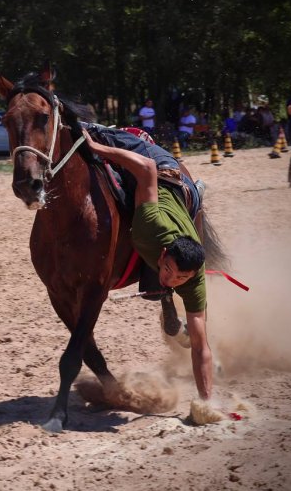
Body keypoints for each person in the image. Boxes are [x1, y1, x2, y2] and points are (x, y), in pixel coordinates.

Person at [80, 125, 213, 401]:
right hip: (160, 168)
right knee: (105, 138)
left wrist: (206, 401)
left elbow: (201, 347)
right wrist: (96, 147)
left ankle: (196, 190)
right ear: (162, 255)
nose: (171, 283)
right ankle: (96, 128)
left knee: (194, 198)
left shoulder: (193, 277)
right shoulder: (152, 224)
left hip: (175, 197)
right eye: (167, 273)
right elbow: (148, 169)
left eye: (179, 280)